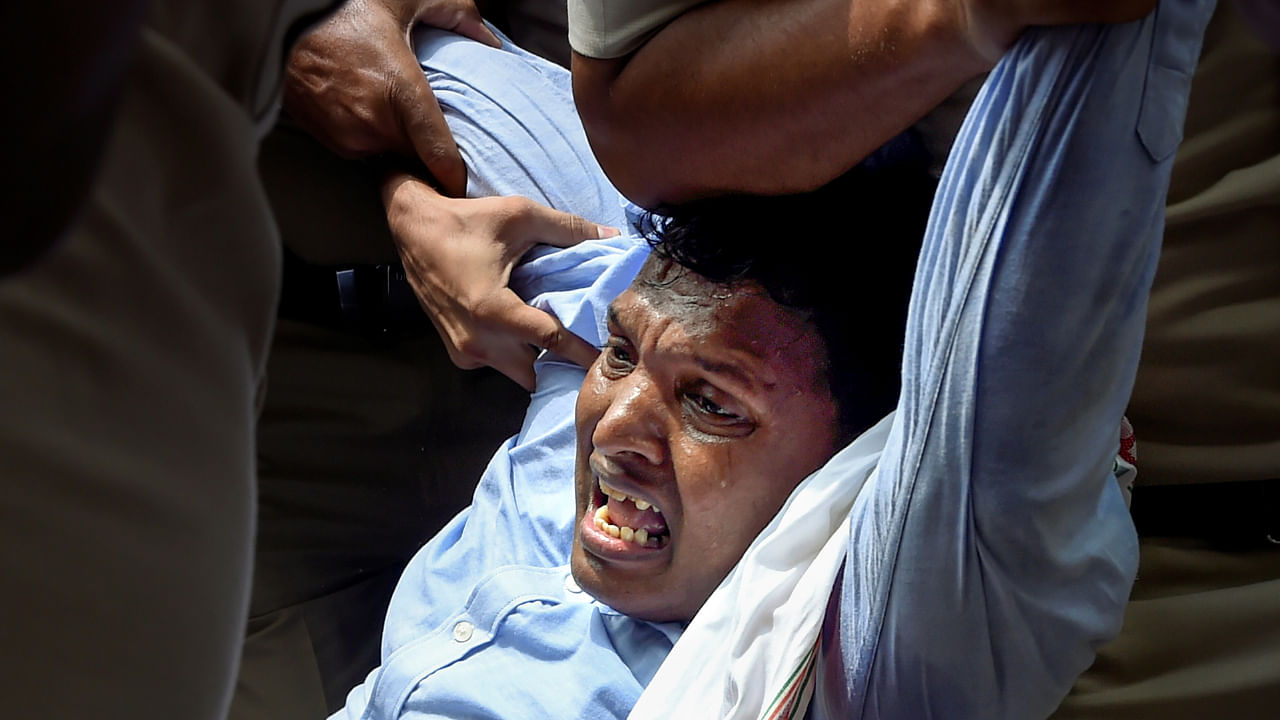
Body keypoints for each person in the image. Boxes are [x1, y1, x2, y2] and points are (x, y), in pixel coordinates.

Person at [333, 2, 1213, 716]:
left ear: (848, 472)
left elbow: (1020, 347)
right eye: (619, 354)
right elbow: (411, 71)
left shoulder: (851, 649)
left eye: (711, 406)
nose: (618, 425)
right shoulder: (611, 295)